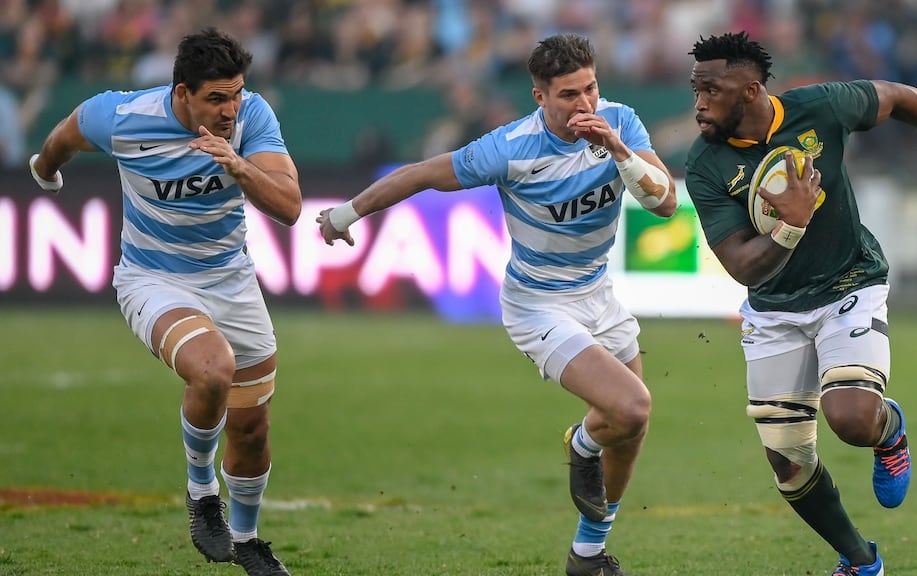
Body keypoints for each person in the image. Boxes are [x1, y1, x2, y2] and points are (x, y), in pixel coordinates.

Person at [318, 33, 677, 576]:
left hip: (599, 294)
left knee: (631, 431)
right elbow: (420, 175)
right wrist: (346, 215)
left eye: (591, 89)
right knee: (630, 408)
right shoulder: (510, 148)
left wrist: (619, 149)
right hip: (540, 305)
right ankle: (582, 444)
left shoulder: (619, 122)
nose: (585, 105)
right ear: (540, 97)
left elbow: (665, 203)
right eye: (568, 96)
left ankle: (587, 555)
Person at [684, 31, 917, 576]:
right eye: (695, 90)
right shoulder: (705, 163)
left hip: (849, 284)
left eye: (711, 90)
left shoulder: (822, 107)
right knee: (788, 463)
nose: (699, 103)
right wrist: (791, 226)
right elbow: (739, 264)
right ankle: (859, 560)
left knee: (850, 419)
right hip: (774, 310)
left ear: (752, 91)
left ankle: (888, 428)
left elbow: (897, 95)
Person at [28, 28, 300, 576]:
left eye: (237, 94)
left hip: (232, 280)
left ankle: (246, 540)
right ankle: (202, 492)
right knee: (212, 370)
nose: (230, 109)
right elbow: (69, 131)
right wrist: (45, 168)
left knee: (252, 428)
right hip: (153, 280)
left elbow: (290, 206)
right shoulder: (125, 117)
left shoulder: (253, 120)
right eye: (216, 98)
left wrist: (239, 165)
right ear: (182, 94)